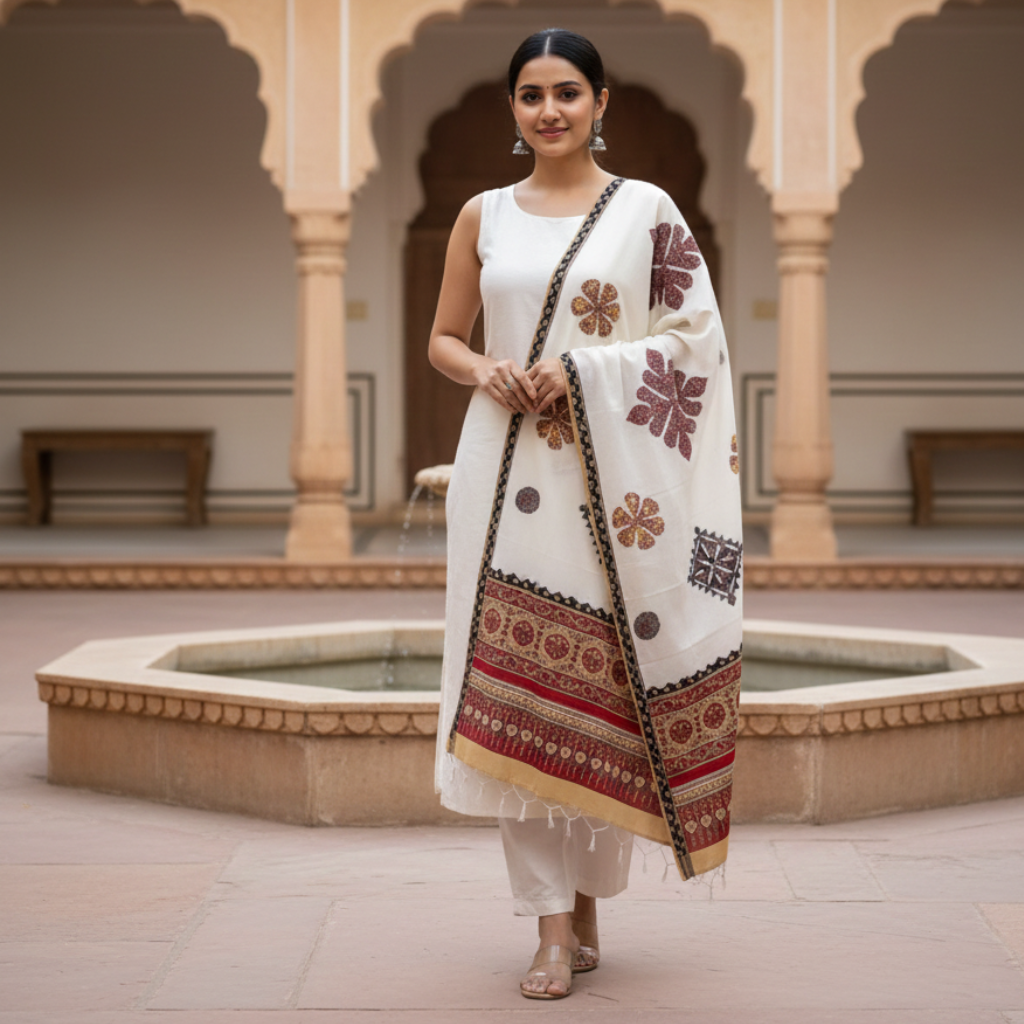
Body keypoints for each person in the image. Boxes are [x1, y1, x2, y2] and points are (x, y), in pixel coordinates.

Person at [428, 28, 744, 1000]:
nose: (549, 110)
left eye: (567, 91)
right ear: (513, 109)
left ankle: (591, 901)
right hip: (505, 475)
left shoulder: (644, 212)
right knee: (518, 692)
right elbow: (443, 337)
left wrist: (577, 371)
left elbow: (695, 343)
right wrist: (489, 369)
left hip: (618, 490)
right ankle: (549, 928)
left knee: (605, 695)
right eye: (530, 94)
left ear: (600, 101)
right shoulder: (482, 215)